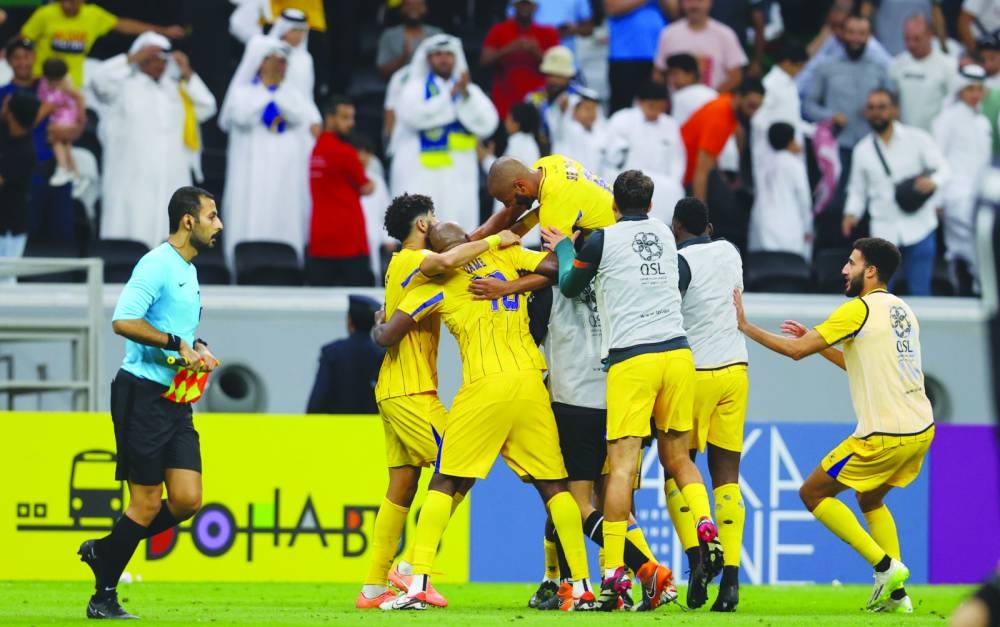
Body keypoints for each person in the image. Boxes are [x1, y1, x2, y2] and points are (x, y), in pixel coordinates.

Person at [374, 221, 597, 612]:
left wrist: (380, 321)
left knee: (445, 480)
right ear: (467, 242)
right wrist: (538, 266)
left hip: (484, 385)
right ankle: (580, 588)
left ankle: (418, 580)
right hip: (531, 380)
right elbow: (553, 273)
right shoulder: (505, 256)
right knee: (554, 488)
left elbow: (389, 336)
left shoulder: (435, 285)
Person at [542, 170, 722, 610]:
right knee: (678, 458)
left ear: (614, 205)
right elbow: (680, 277)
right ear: (652, 202)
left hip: (633, 358)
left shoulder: (602, 239)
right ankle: (705, 524)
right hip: (678, 353)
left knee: (620, 469)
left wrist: (566, 246)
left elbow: (569, 283)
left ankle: (614, 575)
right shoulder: (664, 233)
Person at [734, 236, 935, 613]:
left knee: (812, 493)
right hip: (921, 430)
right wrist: (822, 343)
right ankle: (895, 597)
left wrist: (747, 327)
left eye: (852, 263)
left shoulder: (857, 310)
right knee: (870, 497)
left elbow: (795, 352)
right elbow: (859, 363)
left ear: (870, 271)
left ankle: (885, 566)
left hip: (883, 435)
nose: (844, 270)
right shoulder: (902, 311)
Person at [355, 193, 523, 609]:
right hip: (413, 392)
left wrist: (522, 215)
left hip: (393, 390)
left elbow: (473, 237)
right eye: (436, 217)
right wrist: (500, 240)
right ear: (424, 225)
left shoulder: (398, 265)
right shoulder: (416, 261)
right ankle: (412, 566)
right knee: (458, 469)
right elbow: (455, 257)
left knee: (402, 486)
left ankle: (373, 587)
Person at [77, 186, 223, 619]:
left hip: (174, 398)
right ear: (187, 221)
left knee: (186, 499)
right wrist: (177, 343)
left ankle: (105, 549)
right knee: (144, 503)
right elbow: (123, 320)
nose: (219, 225)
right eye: (212, 216)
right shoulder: (156, 265)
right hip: (140, 395)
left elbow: (174, 331)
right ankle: (104, 596)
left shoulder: (188, 269)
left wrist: (196, 347)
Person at [668, 196, 747, 612]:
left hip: (695, 370)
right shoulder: (730, 251)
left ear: (677, 226)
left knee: (678, 468)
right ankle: (731, 582)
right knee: (727, 478)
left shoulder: (678, 262)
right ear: (709, 226)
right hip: (736, 369)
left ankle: (698, 558)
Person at [91, 32, 217, 252]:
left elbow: (207, 106)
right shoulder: (122, 87)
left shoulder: (176, 89)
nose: (158, 64)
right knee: (130, 237)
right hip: (131, 179)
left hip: (169, 178)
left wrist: (187, 72)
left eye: (162, 59)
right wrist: (132, 58)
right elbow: (98, 81)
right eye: (150, 58)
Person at [218, 38, 320, 263]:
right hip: (250, 171)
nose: (281, 67)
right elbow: (239, 116)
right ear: (260, 62)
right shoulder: (243, 93)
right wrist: (268, 97)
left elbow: (301, 115)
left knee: (283, 213)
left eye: (284, 63)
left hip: (285, 173)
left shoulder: (293, 94)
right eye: (276, 61)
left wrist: (276, 97)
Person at [842, 88, 949, 296]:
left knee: (920, 294)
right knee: (881, 298)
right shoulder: (862, 150)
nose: (876, 113)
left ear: (894, 110)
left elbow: (943, 168)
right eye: (871, 108)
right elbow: (857, 190)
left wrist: (933, 182)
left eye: (882, 107)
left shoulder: (917, 139)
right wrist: (851, 214)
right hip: (883, 234)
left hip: (920, 227)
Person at [393, 34, 498, 232]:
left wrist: (465, 97)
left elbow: (488, 123)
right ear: (428, 59)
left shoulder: (469, 91)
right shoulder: (414, 88)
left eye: (449, 54)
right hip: (425, 172)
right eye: (438, 54)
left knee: (461, 231)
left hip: (461, 172)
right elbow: (413, 117)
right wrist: (450, 98)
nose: (443, 59)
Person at [0, 38, 75, 244]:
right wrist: (46, 108)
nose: (23, 62)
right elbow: (16, 128)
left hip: (55, 172)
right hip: (20, 178)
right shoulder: (3, 95)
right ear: (8, 61)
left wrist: (69, 130)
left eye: (27, 56)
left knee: (62, 238)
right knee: (20, 241)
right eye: (17, 57)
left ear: (34, 58)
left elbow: (75, 122)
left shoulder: (50, 88)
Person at [19, 0, 185, 87]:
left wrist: (163, 30)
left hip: (70, 85)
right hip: (41, 82)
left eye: (74, 1)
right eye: (65, 1)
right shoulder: (45, 14)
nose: (69, 5)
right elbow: (22, 39)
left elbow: (124, 25)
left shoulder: (92, 15)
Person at [932, 64, 992, 296]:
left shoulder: (983, 122)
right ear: (961, 90)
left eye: (979, 89)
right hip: (955, 194)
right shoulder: (947, 118)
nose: (975, 94)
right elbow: (938, 157)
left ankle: (977, 290)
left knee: (975, 246)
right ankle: (967, 291)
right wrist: (938, 198)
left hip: (977, 195)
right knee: (961, 248)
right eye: (970, 89)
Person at [307, 95, 376, 286]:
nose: (351, 123)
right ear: (330, 119)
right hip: (349, 241)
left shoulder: (316, 148)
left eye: (352, 117)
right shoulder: (345, 152)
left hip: (320, 240)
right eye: (345, 117)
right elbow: (367, 187)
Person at [603, 80, 686, 225]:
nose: (655, 111)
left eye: (660, 106)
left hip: (662, 187)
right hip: (628, 185)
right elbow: (611, 157)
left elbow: (678, 160)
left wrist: (673, 184)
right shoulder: (622, 119)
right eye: (651, 105)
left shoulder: (670, 124)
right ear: (640, 103)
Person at [680, 77, 764, 203]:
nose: (753, 113)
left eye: (757, 108)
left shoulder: (726, 102)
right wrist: (701, 217)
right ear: (738, 97)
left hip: (690, 173)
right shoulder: (720, 119)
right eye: (751, 106)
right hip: (685, 178)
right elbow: (701, 172)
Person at [480, 0, 560, 119]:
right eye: (521, 4)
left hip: (538, 106)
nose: (524, 8)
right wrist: (508, 49)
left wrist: (536, 53)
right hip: (504, 105)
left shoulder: (548, 32)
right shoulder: (499, 30)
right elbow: (483, 61)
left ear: (535, 7)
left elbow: (558, 68)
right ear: (514, 6)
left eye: (528, 4)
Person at [306, 295, 384, 414]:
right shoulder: (381, 355)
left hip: (336, 430)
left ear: (349, 321)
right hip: (372, 430)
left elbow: (316, 402)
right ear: (373, 323)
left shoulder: (332, 352)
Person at [748, 122, 813, 258]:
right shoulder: (795, 164)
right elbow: (804, 200)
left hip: (761, 224)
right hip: (788, 227)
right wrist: (808, 227)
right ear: (790, 142)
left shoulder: (763, 163)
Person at [652, 0, 747, 92]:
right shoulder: (668, 33)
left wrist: (710, 99)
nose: (694, 5)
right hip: (676, 105)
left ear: (710, 2)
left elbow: (736, 77)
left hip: (713, 104)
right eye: (689, 1)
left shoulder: (725, 34)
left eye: (700, 0)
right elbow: (658, 74)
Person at [888, 14, 957, 132]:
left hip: (935, 136)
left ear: (930, 36)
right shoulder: (896, 65)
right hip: (904, 135)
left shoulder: (948, 65)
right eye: (907, 39)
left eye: (916, 39)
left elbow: (953, 104)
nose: (911, 44)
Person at [0, 92, 41, 275]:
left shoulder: (24, 152)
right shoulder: (4, 129)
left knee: (5, 280)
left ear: (11, 113)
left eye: (7, 104)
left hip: (10, 230)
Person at [605, 0, 670, 114]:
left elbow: (675, 12)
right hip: (625, 56)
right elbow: (612, 8)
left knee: (659, 109)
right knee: (622, 110)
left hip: (659, 55)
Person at [37, 58, 83, 189]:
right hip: (60, 116)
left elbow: (56, 100)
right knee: (66, 145)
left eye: (57, 80)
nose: (55, 83)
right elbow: (42, 97)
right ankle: (75, 173)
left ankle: (62, 168)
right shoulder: (45, 83)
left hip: (66, 116)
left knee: (55, 138)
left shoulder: (66, 83)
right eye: (52, 81)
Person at [523, 45, 579, 150]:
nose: (553, 80)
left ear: (569, 76)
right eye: (550, 75)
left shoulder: (582, 101)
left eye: (558, 76)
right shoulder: (532, 98)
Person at [376, 0, 442, 80]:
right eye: (409, 4)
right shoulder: (389, 35)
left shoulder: (436, 34)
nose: (414, 8)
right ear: (402, 8)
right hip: (401, 85)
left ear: (425, 8)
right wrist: (403, 57)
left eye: (418, 4)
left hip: (433, 84)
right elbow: (382, 72)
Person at [861, 0, 949, 57]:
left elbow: (937, 15)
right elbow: (865, 13)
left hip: (922, 54)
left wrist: (943, 45)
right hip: (887, 53)